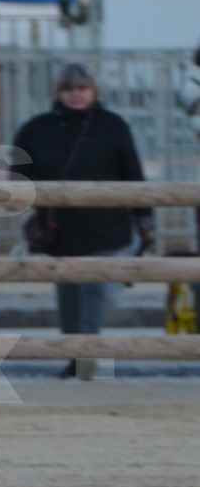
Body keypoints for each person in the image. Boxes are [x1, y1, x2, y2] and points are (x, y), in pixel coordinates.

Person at [11, 62, 154, 379]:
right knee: (68, 295)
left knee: (93, 293)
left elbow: (133, 173)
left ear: (94, 91)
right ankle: (75, 356)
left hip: (107, 226)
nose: (76, 95)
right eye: (69, 89)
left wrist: (145, 219)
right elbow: (19, 172)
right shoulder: (38, 128)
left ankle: (84, 359)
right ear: (59, 92)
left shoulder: (113, 126)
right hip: (60, 228)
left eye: (82, 88)